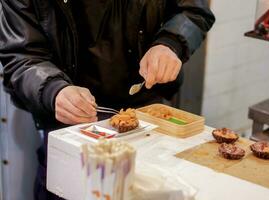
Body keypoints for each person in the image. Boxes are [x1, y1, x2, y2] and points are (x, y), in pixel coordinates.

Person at [0, 0, 215, 199]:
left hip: (148, 111)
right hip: (70, 117)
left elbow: (194, 9)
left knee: (155, 188)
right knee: (65, 189)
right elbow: (22, 54)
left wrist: (171, 43)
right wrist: (52, 90)